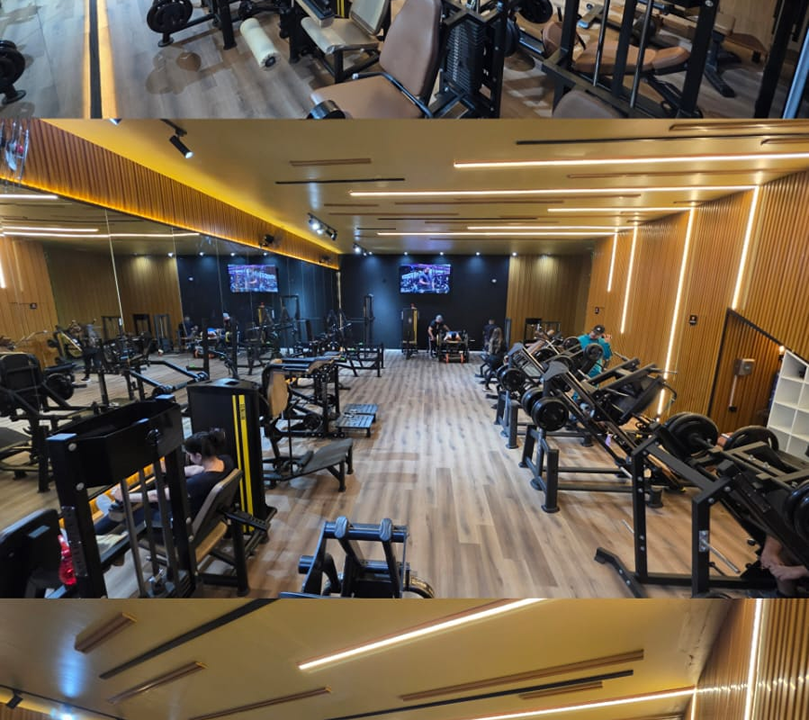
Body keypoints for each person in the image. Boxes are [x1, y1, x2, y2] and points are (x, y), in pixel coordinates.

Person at [95, 430, 234, 535]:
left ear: (198, 455)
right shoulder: (225, 462)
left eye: (190, 455)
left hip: (177, 528)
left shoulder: (198, 483)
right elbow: (196, 469)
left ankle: (103, 527)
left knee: (127, 510)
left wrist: (124, 496)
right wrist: (169, 470)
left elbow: (157, 495)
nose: (189, 457)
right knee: (135, 504)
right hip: (198, 516)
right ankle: (108, 522)